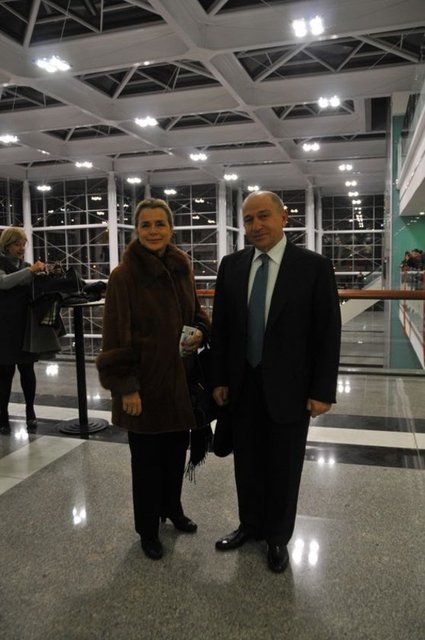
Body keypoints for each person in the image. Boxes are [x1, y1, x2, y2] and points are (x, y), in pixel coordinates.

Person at [210, 191, 341, 573]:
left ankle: (278, 538)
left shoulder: (313, 267)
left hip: (291, 389)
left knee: (284, 467)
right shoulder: (231, 266)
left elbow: (327, 333)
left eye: (263, 216)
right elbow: (222, 330)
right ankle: (249, 525)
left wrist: (322, 391)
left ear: (284, 218)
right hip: (242, 385)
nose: (256, 226)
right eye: (249, 219)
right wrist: (219, 379)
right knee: (247, 462)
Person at [96, 198, 210, 561]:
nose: (154, 231)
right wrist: (126, 387)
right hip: (144, 387)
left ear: (171, 228)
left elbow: (196, 313)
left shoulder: (181, 267)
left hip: (179, 384)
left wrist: (201, 332)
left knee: (175, 455)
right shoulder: (124, 275)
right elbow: (115, 337)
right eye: (146, 225)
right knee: (146, 465)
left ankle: (172, 509)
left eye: (160, 224)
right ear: (136, 230)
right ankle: (147, 529)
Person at [0, 227, 46, 435]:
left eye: (23, 244)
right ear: (6, 245)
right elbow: (3, 283)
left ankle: (30, 412)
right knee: (5, 374)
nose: (21, 248)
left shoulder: (27, 267)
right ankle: (2, 416)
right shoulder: (8, 265)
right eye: (17, 244)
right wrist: (30, 271)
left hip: (24, 327)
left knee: (28, 371)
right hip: (4, 328)